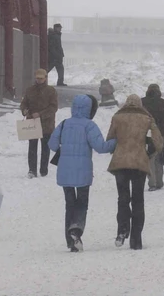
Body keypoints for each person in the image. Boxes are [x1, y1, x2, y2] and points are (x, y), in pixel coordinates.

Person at [48, 94, 116, 252]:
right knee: (82, 204)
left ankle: (70, 242)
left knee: (69, 205)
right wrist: (116, 142)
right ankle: (76, 229)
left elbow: (52, 144)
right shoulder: (89, 126)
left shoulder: (64, 124)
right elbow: (100, 147)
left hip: (65, 171)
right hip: (83, 171)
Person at [106, 94, 164, 250]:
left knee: (122, 198)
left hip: (120, 163)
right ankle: (136, 240)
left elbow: (110, 139)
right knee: (138, 200)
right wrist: (149, 151)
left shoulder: (117, 117)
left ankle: (122, 229)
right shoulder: (147, 119)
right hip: (139, 163)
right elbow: (158, 141)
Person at [21, 69, 58, 178]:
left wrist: (41, 114)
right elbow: (24, 104)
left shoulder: (51, 91)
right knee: (32, 147)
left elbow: (53, 107)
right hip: (32, 123)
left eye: (41, 78)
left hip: (47, 124)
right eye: (37, 78)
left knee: (45, 148)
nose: (39, 80)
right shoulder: (30, 90)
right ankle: (32, 170)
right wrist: (24, 110)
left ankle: (43, 170)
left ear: (46, 78)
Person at [140, 84, 164, 191]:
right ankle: (159, 181)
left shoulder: (142, 102)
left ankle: (152, 183)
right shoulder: (163, 103)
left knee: (150, 157)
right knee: (158, 157)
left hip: (147, 133)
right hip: (162, 134)